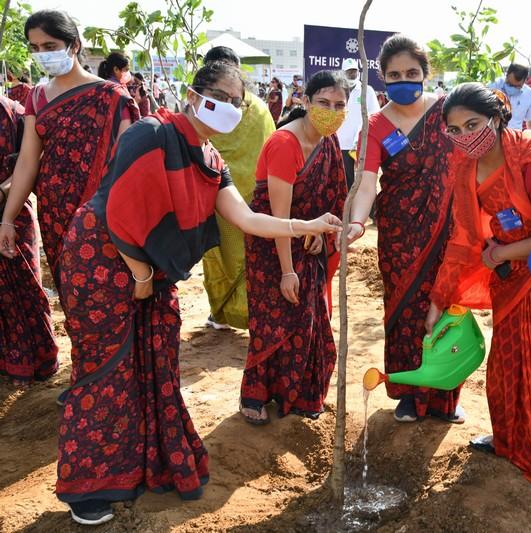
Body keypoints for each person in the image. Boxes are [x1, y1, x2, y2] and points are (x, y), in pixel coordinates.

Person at [49, 60, 341, 525]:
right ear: (192, 94)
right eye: (220, 97)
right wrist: (140, 277)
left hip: (151, 267)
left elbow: (248, 219)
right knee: (107, 368)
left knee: (155, 361)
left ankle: (142, 465)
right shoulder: (150, 133)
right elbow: (119, 211)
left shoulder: (210, 159)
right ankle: (88, 487)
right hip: (102, 260)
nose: (228, 107)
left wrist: (306, 225)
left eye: (236, 102)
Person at [428, 83, 531, 496]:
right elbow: (461, 240)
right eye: (454, 130)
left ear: (496, 118)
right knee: (507, 367)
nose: (464, 136)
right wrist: (439, 298)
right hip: (507, 281)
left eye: (472, 124)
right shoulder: (465, 169)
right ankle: (509, 440)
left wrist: (503, 252)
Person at [346, 34, 462, 423]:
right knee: (404, 308)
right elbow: (366, 183)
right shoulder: (375, 125)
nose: (403, 81)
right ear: (382, 77)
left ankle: (445, 396)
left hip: (448, 230)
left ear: (426, 73)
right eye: (394, 75)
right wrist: (357, 221)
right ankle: (408, 394)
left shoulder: (448, 111)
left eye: (412, 73)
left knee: (446, 307)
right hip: (399, 235)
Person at [0, 10, 139, 298]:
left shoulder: (112, 97)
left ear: (74, 44)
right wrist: (8, 219)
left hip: (103, 213)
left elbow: (128, 167)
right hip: (55, 214)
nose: (42, 54)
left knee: (108, 295)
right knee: (72, 297)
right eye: (35, 48)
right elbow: (27, 162)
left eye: (50, 46)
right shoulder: (37, 96)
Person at [240, 70, 348, 423]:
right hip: (272, 245)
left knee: (309, 320)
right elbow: (279, 217)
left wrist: (319, 232)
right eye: (323, 103)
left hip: (307, 243)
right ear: (305, 100)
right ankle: (255, 395)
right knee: (273, 321)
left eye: (339, 105)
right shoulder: (285, 144)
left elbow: (329, 198)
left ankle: (299, 396)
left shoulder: (328, 141)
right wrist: (287, 271)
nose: (331, 111)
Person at [199, 46, 277, 331]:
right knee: (245, 257)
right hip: (249, 199)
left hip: (218, 198)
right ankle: (243, 314)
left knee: (220, 257)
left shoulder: (207, 108)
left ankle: (223, 314)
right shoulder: (259, 108)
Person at [0, 95, 59, 386]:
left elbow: (33, 157)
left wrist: (4, 192)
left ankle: (38, 363)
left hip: (14, 213)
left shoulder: (14, 114)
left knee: (28, 289)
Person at [337, 57, 380, 189]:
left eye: (354, 71)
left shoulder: (366, 90)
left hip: (361, 144)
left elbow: (375, 114)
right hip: (341, 143)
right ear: (343, 73)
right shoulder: (337, 90)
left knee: (363, 179)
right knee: (345, 180)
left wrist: (362, 133)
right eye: (349, 71)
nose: (352, 74)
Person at [489, 63, 531, 130]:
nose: (512, 88)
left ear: (525, 81)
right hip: (494, 132)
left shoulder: (529, 95)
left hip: (515, 134)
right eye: (509, 84)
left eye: (517, 86)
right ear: (506, 75)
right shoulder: (493, 86)